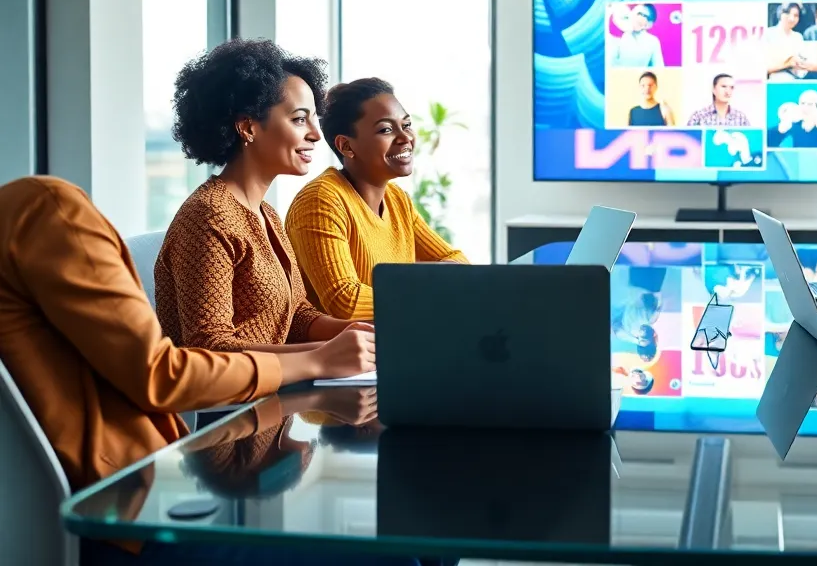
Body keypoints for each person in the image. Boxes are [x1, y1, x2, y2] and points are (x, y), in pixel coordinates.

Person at [0, 175, 378, 565]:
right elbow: (161, 374)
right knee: (389, 553)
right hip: (133, 511)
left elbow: (295, 313)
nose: (313, 140)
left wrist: (334, 345)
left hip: (140, 494)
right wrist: (317, 360)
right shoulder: (46, 206)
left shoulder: (24, 209)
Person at [155, 39, 361, 352]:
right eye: (299, 119)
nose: (316, 134)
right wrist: (323, 357)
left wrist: (369, 331)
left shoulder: (266, 214)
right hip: (228, 388)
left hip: (276, 381)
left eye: (314, 119)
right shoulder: (208, 217)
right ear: (248, 127)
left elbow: (295, 317)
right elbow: (210, 348)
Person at [285, 78, 469, 321]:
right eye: (386, 130)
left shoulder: (397, 200)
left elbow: (458, 262)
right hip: (343, 344)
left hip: (397, 335)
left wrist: (418, 286)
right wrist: (430, 289)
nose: (405, 137)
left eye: (406, 125)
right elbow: (345, 301)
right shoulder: (321, 200)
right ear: (346, 146)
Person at [685, 74, 751, 127]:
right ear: (713, 89)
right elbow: (688, 137)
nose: (728, 91)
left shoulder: (741, 117)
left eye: (731, 88)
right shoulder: (699, 116)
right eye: (723, 86)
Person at [612, 3, 664, 68]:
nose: (639, 18)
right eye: (638, 13)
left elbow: (659, 67)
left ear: (649, 24)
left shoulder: (653, 41)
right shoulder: (619, 37)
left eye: (644, 16)